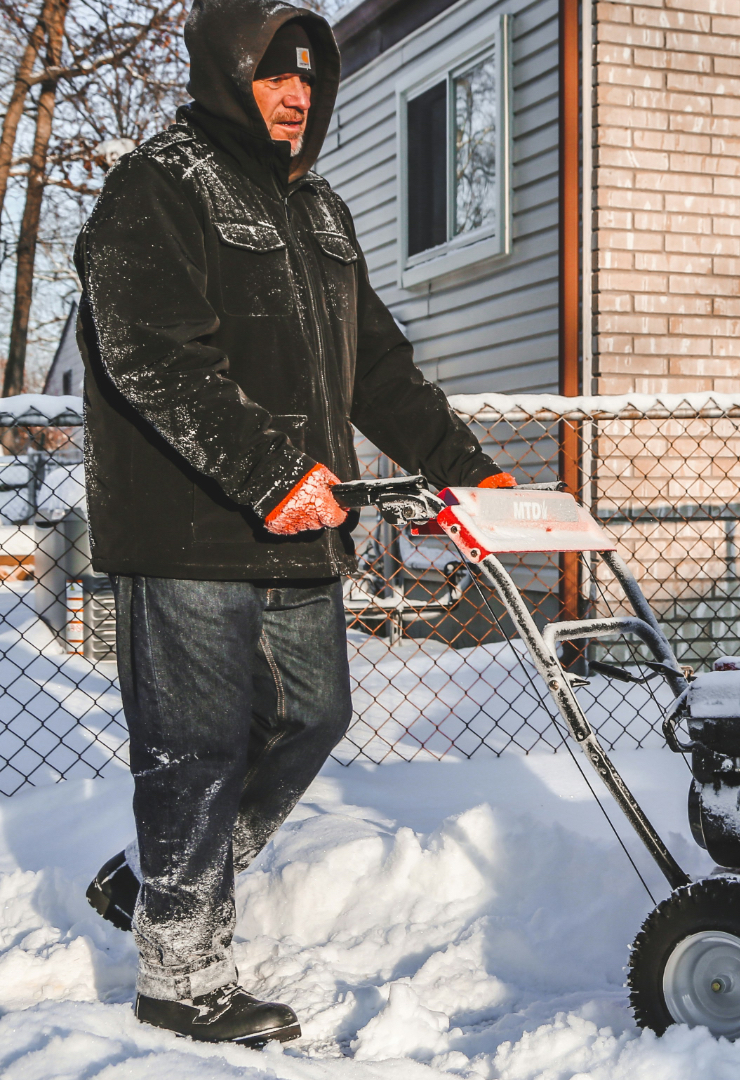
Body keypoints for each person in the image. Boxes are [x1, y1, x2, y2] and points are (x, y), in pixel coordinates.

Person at [74, 0, 514, 1047]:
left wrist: (470, 472)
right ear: (227, 72)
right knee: (196, 749)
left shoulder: (320, 213)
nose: (297, 94)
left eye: (312, 79)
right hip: (189, 530)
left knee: (311, 718)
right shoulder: (158, 187)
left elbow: (382, 369)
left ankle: (156, 884)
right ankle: (179, 976)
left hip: (302, 533)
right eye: (276, 73)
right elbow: (153, 354)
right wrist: (270, 469)